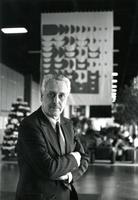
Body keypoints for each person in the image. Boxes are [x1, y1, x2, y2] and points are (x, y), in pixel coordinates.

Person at [15, 74, 89, 200]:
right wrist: (74, 158)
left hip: (66, 195)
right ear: (42, 96)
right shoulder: (29, 125)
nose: (56, 101)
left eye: (61, 96)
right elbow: (49, 168)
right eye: (51, 94)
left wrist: (69, 176)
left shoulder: (68, 124)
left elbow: (84, 158)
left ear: (66, 99)